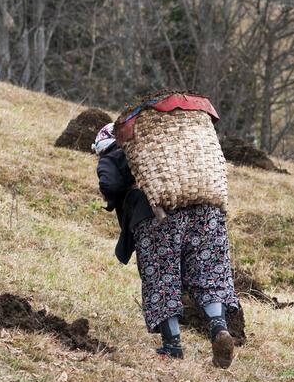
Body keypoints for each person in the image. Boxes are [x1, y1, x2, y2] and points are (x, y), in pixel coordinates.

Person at [94, 122, 239, 368]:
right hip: (205, 210)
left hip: (157, 216)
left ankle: (172, 346)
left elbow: (111, 185)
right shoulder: (172, 151)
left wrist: (111, 195)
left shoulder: (114, 155)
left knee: (162, 276)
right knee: (209, 272)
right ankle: (218, 328)